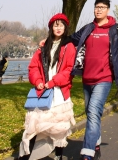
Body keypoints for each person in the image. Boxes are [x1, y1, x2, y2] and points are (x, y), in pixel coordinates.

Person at [70, 0, 118, 160]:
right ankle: (95, 142)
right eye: (96, 7)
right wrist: (51, 40)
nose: (98, 10)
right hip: (87, 78)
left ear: (108, 10)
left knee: (94, 111)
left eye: (102, 7)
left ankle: (88, 152)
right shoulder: (88, 28)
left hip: (104, 78)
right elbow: (72, 39)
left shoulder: (116, 30)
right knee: (90, 112)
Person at [20, 13, 77, 160]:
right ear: (51, 27)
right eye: (55, 25)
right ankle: (26, 155)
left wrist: (53, 82)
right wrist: (37, 80)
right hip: (43, 92)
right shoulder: (43, 46)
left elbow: (69, 70)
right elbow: (33, 67)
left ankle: (58, 156)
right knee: (34, 126)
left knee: (59, 128)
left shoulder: (69, 46)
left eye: (61, 25)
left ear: (66, 27)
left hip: (59, 92)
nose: (58, 28)